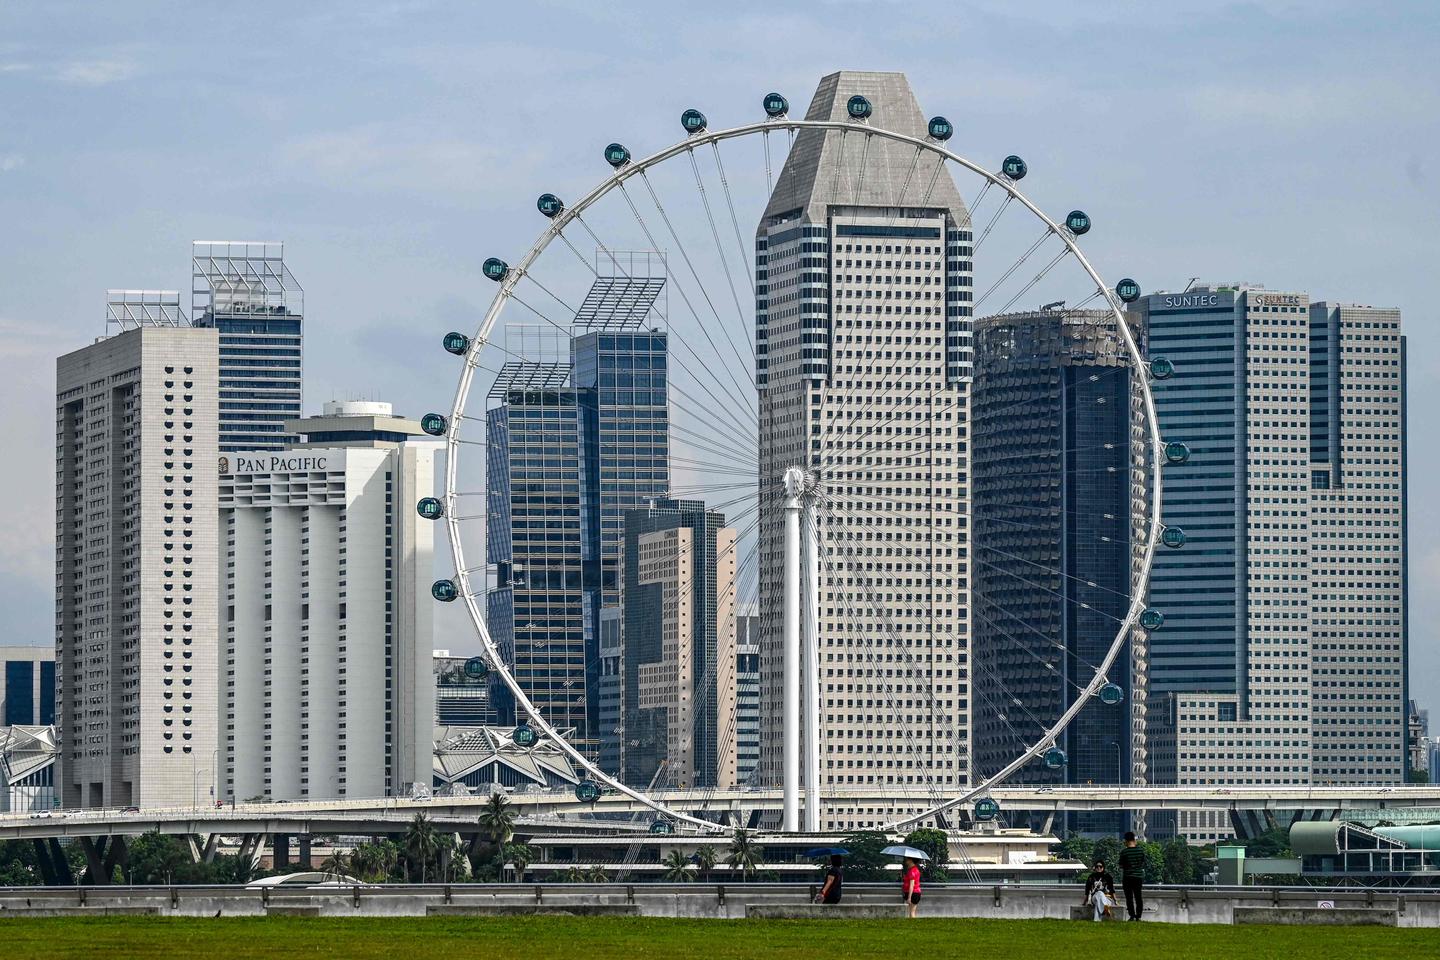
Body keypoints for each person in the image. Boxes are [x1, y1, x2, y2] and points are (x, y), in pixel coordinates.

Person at [1117, 830, 1147, 921]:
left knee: (1129, 898)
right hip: (1138, 877)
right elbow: (1143, 863)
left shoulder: (1124, 852)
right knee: (1138, 897)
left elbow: (1120, 865)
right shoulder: (1140, 851)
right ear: (1134, 839)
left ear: (1126, 841)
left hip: (1127, 877)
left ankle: (1132, 915)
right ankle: (1139, 916)